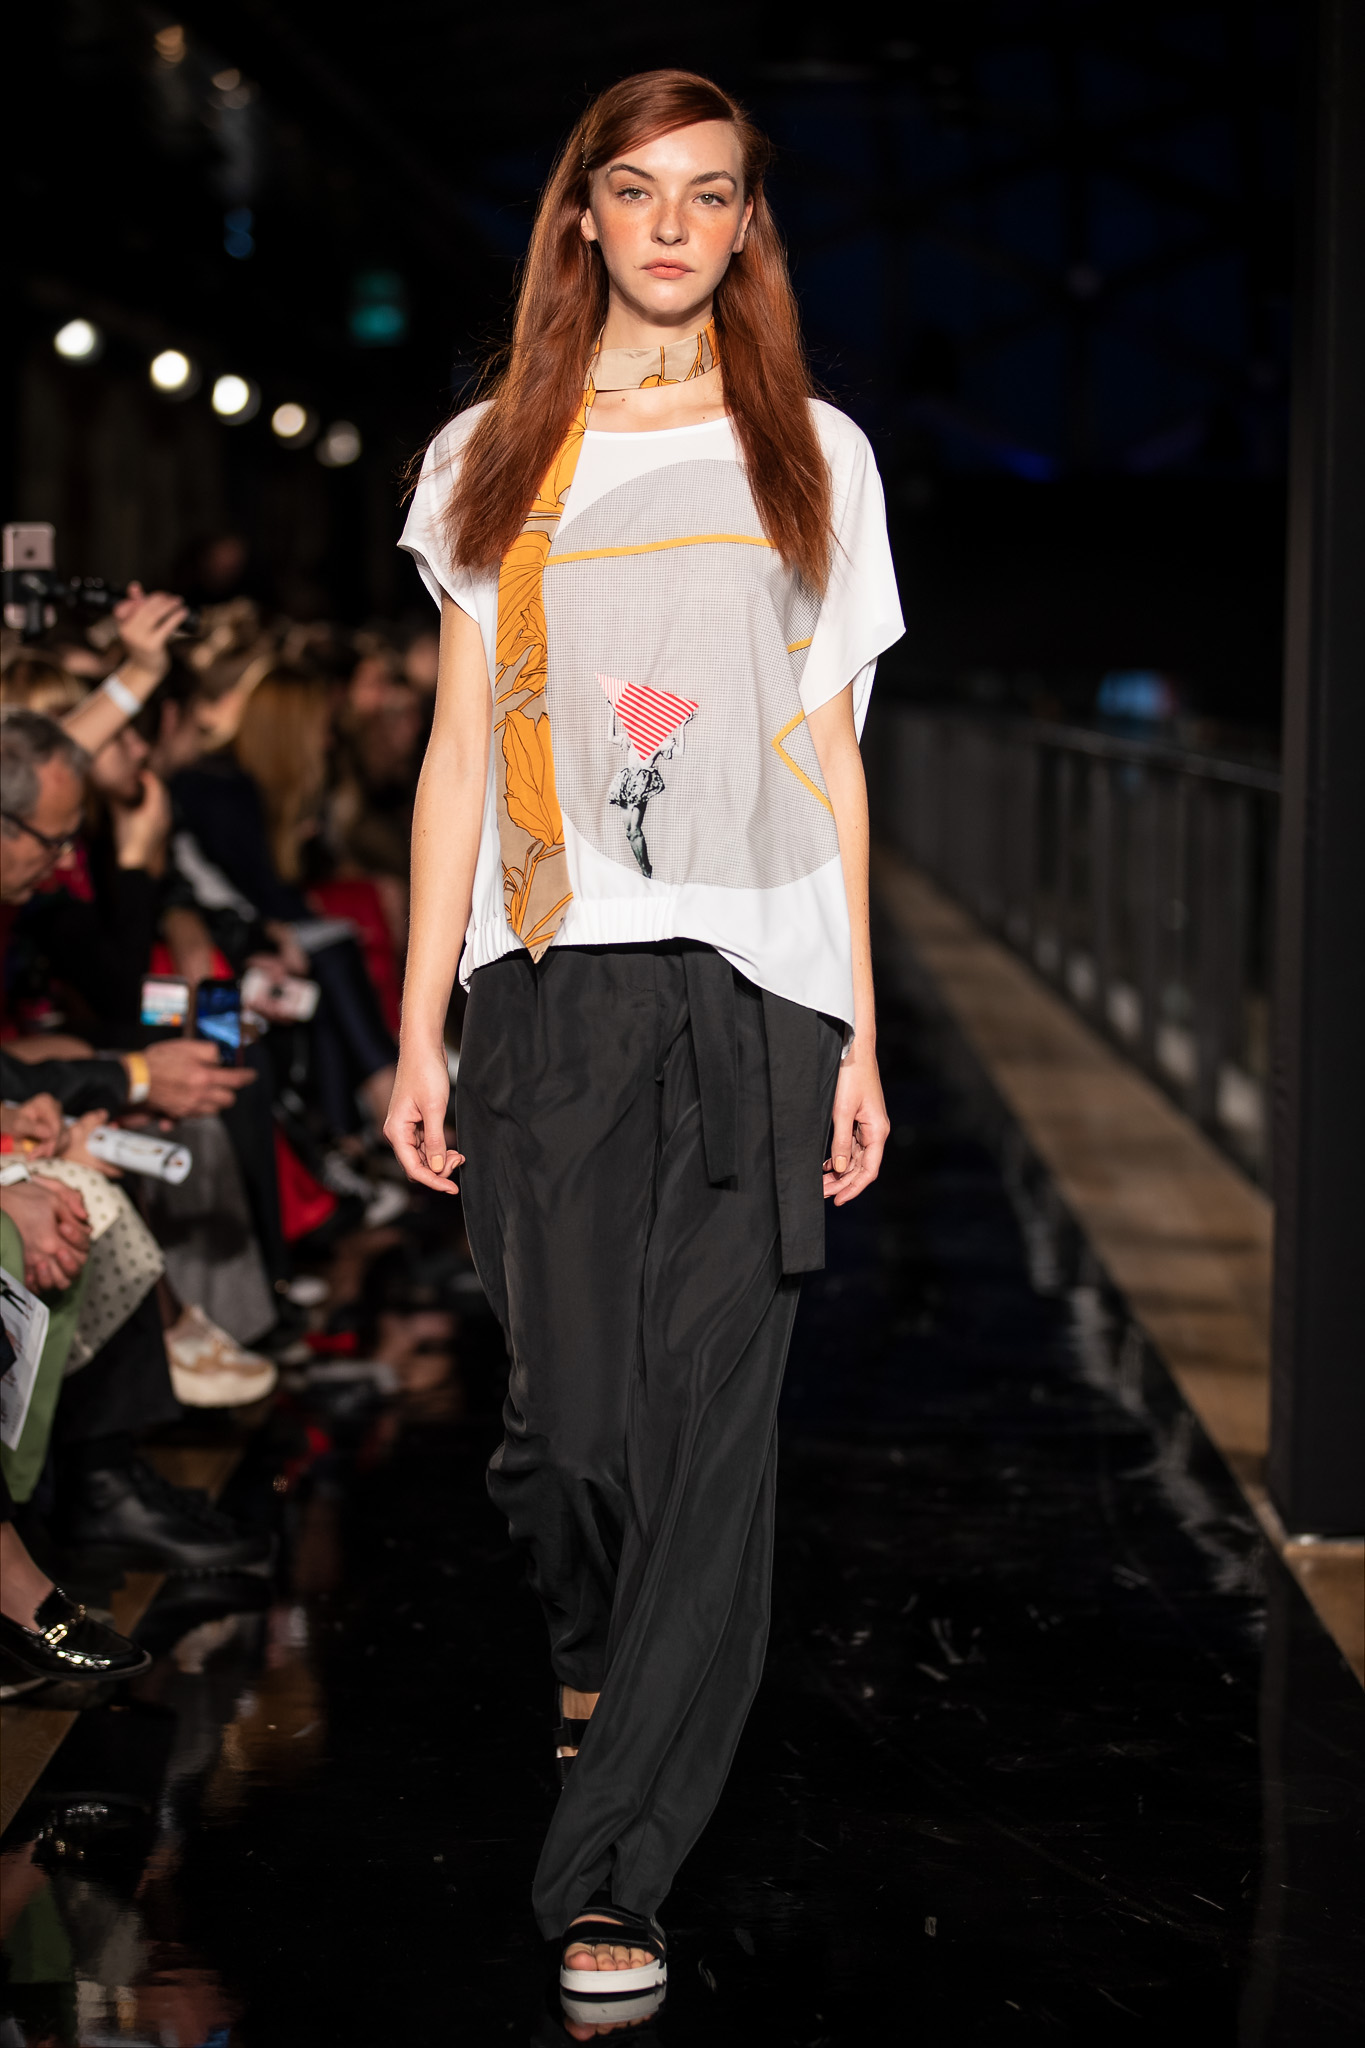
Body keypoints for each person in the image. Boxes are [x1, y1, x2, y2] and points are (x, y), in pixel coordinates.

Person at [386, 69, 902, 2012]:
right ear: (582, 216)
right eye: (634, 189)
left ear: (748, 222)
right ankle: (592, 1647)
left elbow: (830, 755)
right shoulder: (488, 452)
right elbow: (456, 751)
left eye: (709, 192)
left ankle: (615, 1865)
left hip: (758, 986)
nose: (671, 224)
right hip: (550, 982)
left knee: (710, 1442)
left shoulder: (812, 453)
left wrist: (855, 1031)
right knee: (569, 1430)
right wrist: (420, 1023)